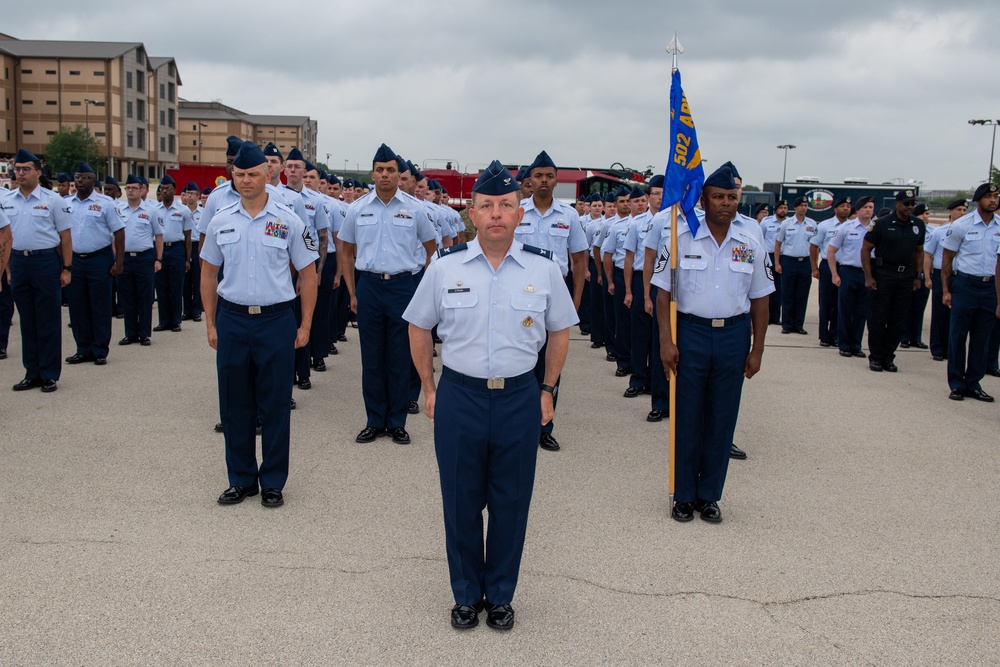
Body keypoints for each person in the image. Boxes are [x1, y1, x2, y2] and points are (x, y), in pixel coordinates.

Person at [404, 160, 577, 631]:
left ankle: (500, 595)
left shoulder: (542, 269)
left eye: (505, 205)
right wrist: (429, 386)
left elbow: (561, 330)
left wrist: (548, 389)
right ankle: (466, 595)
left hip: (521, 396)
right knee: (460, 502)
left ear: (520, 214)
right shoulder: (445, 267)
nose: (496, 213)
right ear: (472, 215)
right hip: (461, 396)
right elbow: (418, 325)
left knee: (510, 502)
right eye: (486, 206)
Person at [200, 140, 318, 508]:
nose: (246, 180)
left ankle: (272, 481)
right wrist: (210, 323)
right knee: (234, 404)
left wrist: (306, 326)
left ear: (268, 174)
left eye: (253, 174)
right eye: (239, 174)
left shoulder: (289, 221)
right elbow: (208, 274)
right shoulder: (220, 220)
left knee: (275, 404)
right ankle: (241, 479)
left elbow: (309, 275)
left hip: (276, 320)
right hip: (233, 319)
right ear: (231, 176)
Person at [653, 164, 773, 523]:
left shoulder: (751, 239)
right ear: (703, 199)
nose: (725, 203)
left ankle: (710, 495)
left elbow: (762, 298)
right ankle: (683, 495)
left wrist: (758, 349)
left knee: (722, 418)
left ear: (739, 199)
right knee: (687, 416)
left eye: (732, 197)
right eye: (718, 197)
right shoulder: (680, 236)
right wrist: (665, 340)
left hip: (733, 336)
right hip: (689, 333)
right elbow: (661, 294)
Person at [339, 143, 437, 445]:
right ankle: (374, 420)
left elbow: (431, 247)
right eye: (380, 170)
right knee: (372, 357)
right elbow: (345, 251)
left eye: (391, 170)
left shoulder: (414, 209)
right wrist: (352, 292)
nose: (385, 175)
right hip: (369, 285)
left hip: (402, 287)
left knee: (399, 356)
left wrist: (420, 284)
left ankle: (396, 422)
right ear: (372, 174)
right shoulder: (357, 209)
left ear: (399, 175)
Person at [517, 150, 589, 452]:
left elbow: (579, 260)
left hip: (555, 289)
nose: (543, 181)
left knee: (551, 360)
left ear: (556, 180)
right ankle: (520, 425)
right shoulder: (516, 211)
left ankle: (545, 426)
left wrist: (575, 301)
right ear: (529, 180)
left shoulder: (568, 215)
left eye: (549, 176)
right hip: (519, 289)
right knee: (521, 356)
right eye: (538, 176)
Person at [3, 149, 73, 392]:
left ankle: (49, 373)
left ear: (38, 172)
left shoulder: (53, 200)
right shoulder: (7, 201)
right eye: (17, 169)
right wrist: (9, 268)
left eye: (25, 169)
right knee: (27, 320)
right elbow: (6, 240)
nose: (20, 173)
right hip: (19, 263)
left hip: (45, 262)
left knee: (48, 319)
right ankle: (31, 372)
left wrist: (66, 268)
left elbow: (65, 237)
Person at [941, 182, 999, 401]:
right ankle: (956, 383)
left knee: (982, 338)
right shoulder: (961, 225)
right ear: (978, 200)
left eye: (996, 197)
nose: (993, 200)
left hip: (990, 287)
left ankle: (973, 383)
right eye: (988, 197)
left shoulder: (999, 226)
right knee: (958, 335)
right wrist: (946, 290)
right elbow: (947, 258)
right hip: (965, 284)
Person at [65, 162, 125, 365]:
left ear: (93, 179)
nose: (80, 181)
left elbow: (119, 232)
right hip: (75, 261)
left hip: (99, 259)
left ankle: (100, 349)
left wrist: (119, 262)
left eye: (85, 177)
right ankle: (83, 348)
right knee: (78, 305)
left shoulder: (106, 203)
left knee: (99, 306)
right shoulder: (67, 203)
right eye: (77, 177)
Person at [861, 189, 924, 373]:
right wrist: (868, 276)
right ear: (897, 204)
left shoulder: (918, 225)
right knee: (879, 318)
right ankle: (876, 357)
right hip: (884, 275)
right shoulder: (881, 224)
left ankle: (889, 357)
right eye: (906, 204)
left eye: (912, 204)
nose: (910, 207)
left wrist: (918, 276)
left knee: (898, 319)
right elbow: (866, 249)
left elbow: (919, 252)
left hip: (906, 277)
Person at [118, 174, 162, 346]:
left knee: (144, 297)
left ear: (142, 190)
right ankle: (130, 333)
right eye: (128, 188)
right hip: (125, 259)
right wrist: (117, 259)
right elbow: (114, 237)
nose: (130, 191)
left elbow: (159, 236)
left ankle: (144, 333)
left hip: (144, 258)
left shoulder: (151, 211)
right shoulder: (119, 210)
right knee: (127, 297)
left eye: (134, 188)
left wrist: (158, 258)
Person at [829, 196, 875, 359]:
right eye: (865, 207)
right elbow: (831, 251)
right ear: (858, 210)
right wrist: (835, 274)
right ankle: (844, 344)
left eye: (871, 207)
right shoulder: (846, 228)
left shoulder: (875, 228)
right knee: (845, 310)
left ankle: (856, 344)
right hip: (848, 271)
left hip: (867, 273)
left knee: (862, 311)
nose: (868, 210)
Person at [602, 186, 638, 379]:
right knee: (622, 320)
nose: (626, 204)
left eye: (628, 200)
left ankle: (640, 361)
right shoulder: (615, 227)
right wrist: (609, 280)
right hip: (620, 275)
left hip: (640, 275)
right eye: (622, 201)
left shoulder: (646, 224)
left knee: (639, 323)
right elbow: (607, 255)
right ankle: (623, 361)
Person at [925, 199, 967, 361]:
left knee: (956, 314)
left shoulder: (967, 230)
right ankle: (937, 348)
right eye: (959, 210)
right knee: (939, 313)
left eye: (964, 210)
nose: (962, 213)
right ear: (950, 212)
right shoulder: (939, 232)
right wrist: (928, 277)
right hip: (940, 274)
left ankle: (950, 349)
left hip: (959, 275)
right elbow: (928, 255)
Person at [152, 174, 192, 333]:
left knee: (176, 286)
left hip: (176, 249)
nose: (165, 192)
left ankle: (175, 320)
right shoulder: (155, 210)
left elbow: (188, 237)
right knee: (161, 286)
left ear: (174, 190)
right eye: (162, 189)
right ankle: (164, 321)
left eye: (168, 189)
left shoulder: (183, 210)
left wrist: (187, 258)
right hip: (160, 250)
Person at [773, 196, 817, 334]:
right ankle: (787, 324)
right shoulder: (787, 224)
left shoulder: (812, 224)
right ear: (796, 207)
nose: (804, 208)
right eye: (801, 205)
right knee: (787, 294)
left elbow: (815, 246)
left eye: (806, 205)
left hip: (805, 262)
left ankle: (798, 324)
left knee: (802, 294)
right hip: (789, 261)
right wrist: (777, 263)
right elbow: (778, 244)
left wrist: (814, 265)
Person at [810, 196, 850, 346]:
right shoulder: (825, 226)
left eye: (848, 206)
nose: (845, 209)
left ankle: (835, 334)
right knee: (826, 302)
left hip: (845, 267)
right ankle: (824, 335)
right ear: (835, 209)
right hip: (827, 266)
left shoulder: (852, 226)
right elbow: (813, 246)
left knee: (840, 303)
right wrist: (814, 267)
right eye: (842, 206)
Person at [901, 203, 931, 349]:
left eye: (927, 214)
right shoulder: (910, 229)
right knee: (906, 306)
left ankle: (916, 337)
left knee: (919, 307)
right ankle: (904, 336)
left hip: (925, 274)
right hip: (910, 271)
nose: (926, 217)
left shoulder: (932, 231)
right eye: (923, 214)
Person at [760, 200, 787, 324]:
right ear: (776, 209)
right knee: (768, 287)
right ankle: (767, 315)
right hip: (769, 255)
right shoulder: (766, 222)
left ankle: (776, 317)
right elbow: (760, 239)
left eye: (785, 208)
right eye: (781, 208)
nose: (783, 210)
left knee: (779, 289)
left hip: (783, 256)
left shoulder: (789, 223)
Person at [181, 181, 203, 323]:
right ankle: (187, 310)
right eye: (187, 193)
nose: (189, 196)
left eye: (192, 194)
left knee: (198, 278)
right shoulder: (181, 211)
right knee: (185, 281)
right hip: (184, 246)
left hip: (198, 246)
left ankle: (197, 310)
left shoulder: (203, 212)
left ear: (198, 196)